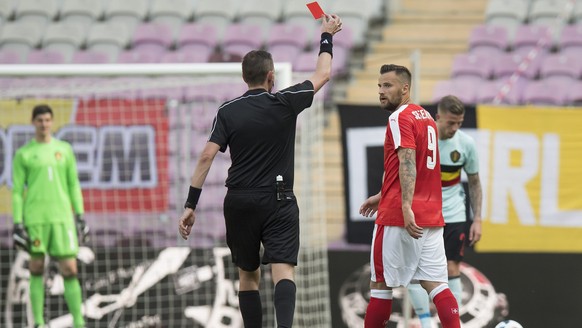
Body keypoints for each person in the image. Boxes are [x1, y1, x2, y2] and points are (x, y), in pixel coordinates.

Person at [178, 14, 343, 328]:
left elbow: (205, 158)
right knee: (283, 270)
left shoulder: (227, 111)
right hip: (279, 201)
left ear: (245, 78)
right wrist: (326, 35)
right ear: (271, 76)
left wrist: (190, 205)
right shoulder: (285, 102)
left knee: (248, 276)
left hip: (239, 201)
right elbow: (323, 73)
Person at [359, 65, 460, 328]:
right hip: (431, 215)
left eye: (388, 86)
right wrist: (382, 195)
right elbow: (414, 165)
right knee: (437, 285)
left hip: (399, 215)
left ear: (405, 88)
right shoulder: (426, 116)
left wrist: (403, 205)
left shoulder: (399, 118)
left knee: (380, 285)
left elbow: (407, 161)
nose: (381, 91)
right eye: (379, 86)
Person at [406, 95, 483, 327]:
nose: (455, 128)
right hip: (423, 213)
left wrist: (477, 218)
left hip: (454, 213)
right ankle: (425, 323)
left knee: (452, 267)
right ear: (437, 117)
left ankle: (453, 323)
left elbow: (475, 182)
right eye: (451, 122)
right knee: (416, 270)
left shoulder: (466, 143)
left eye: (459, 123)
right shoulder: (422, 140)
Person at [12, 104, 90, 328]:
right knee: (37, 267)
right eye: (39, 120)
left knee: (70, 268)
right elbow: (17, 192)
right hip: (36, 218)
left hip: (62, 217)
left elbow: (73, 184)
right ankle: (37, 322)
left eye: (47, 120)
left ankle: (78, 322)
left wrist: (80, 215)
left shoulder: (64, 149)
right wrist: (18, 223)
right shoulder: (24, 154)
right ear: (33, 122)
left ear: (52, 122)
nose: (44, 124)